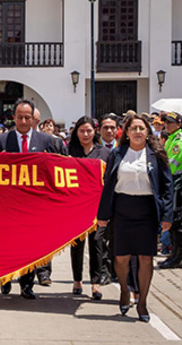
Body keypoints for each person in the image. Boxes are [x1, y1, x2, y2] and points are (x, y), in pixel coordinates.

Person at [97, 114, 173, 322]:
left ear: (148, 132)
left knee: (145, 258)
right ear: (127, 132)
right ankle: (124, 289)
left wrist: (167, 215)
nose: (138, 132)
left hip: (147, 211)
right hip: (123, 210)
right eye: (134, 128)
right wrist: (102, 215)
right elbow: (108, 185)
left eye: (142, 128)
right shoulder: (118, 154)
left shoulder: (156, 155)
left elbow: (167, 187)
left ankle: (142, 302)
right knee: (121, 257)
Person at [0, 100, 59, 299]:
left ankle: (27, 284)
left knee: (28, 246)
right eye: (19, 117)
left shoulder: (47, 141)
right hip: (7, 203)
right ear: (13, 117)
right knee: (5, 244)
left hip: (33, 204)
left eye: (27, 117)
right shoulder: (2, 140)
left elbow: (59, 169)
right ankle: (4, 279)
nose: (23, 121)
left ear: (33, 119)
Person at [67, 116, 110, 300]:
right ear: (76, 132)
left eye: (89, 131)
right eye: (82, 131)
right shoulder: (70, 151)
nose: (85, 134)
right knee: (77, 245)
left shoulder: (105, 153)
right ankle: (77, 281)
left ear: (95, 132)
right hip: (75, 207)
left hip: (97, 207)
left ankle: (96, 283)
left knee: (97, 244)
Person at [159, 112, 182, 269]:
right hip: (171, 184)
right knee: (171, 220)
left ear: (179, 124)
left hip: (176, 184)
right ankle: (173, 255)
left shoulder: (179, 142)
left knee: (177, 222)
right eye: (166, 122)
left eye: (171, 122)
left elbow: (170, 165)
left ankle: (177, 257)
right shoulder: (171, 139)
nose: (167, 125)